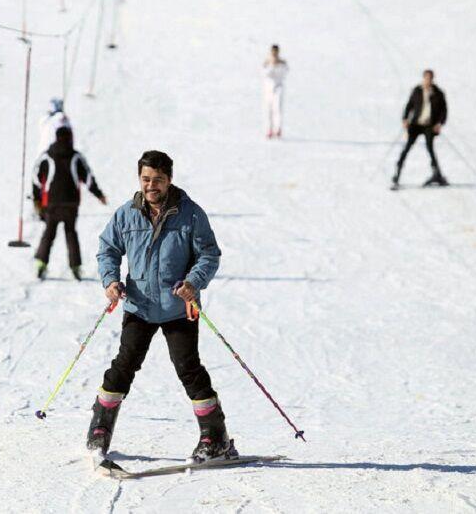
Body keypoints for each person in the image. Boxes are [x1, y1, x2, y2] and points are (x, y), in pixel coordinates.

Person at [88, 150, 233, 463]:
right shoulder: (126, 214)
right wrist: (110, 281)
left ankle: (215, 436)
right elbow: (107, 250)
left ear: (169, 180)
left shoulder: (191, 214)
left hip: (178, 307)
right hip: (139, 306)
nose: (150, 186)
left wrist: (193, 282)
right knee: (123, 365)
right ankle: (99, 430)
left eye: (157, 180)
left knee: (188, 368)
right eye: (145, 179)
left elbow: (209, 255)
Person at [33, 126, 106, 281]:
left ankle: (41, 263)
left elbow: (36, 178)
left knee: (49, 233)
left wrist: (37, 199)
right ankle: (75, 267)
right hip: (71, 204)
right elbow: (88, 178)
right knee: (70, 233)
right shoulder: (76, 157)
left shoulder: (47, 156)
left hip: (52, 203)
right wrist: (98, 194)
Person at [392, 69, 449, 188]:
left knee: (430, 148)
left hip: (429, 125)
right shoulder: (417, 91)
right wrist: (405, 119)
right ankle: (397, 173)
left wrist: (439, 123)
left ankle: (436, 173)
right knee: (407, 147)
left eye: (430, 78)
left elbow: (444, 110)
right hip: (416, 124)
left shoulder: (438, 93)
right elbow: (409, 105)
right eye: (426, 78)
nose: (428, 80)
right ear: (423, 78)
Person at [262, 44, 288, 139]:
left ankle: (278, 129)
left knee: (277, 108)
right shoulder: (267, 63)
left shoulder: (282, 64)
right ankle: (269, 129)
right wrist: (271, 65)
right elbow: (265, 74)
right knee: (268, 109)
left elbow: (284, 73)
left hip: (278, 87)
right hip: (268, 88)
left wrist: (278, 64)